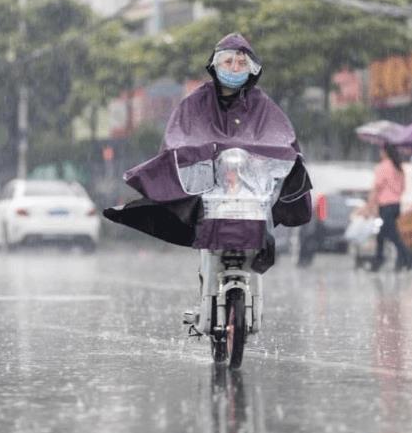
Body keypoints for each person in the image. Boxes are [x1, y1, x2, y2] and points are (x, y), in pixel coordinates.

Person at [103, 32, 312, 319]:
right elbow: (179, 137)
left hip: (250, 196)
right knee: (204, 232)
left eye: (241, 63)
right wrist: (196, 154)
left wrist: (274, 157)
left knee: (263, 233)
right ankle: (206, 290)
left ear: (252, 68)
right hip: (212, 192)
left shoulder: (262, 105)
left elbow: (281, 137)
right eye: (228, 62)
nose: (235, 68)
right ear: (215, 66)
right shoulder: (196, 103)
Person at [366, 143, 410, 271]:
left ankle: (407, 259)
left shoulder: (382, 167)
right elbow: (403, 188)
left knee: (393, 236)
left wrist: (370, 205)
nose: (380, 153)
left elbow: (376, 188)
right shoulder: (398, 167)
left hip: (386, 206)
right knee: (382, 235)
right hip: (396, 206)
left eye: (381, 151)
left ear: (385, 152)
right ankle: (382, 260)